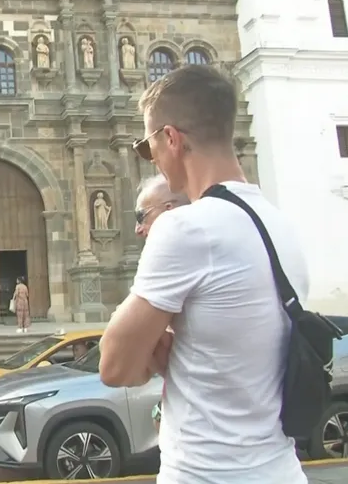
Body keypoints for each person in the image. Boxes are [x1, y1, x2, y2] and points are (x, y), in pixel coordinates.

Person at [99, 65, 309, 483]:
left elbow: (115, 366)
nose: (153, 159)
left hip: (207, 473)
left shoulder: (186, 228)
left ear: (171, 138)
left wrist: (157, 353)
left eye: (148, 146)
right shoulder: (280, 224)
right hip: (281, 469)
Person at [134, 174, 191, 432]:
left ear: (169, 212)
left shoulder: (175, 261)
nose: (138, 229)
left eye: (141, 216)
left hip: (209, 460)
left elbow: (115, 368)